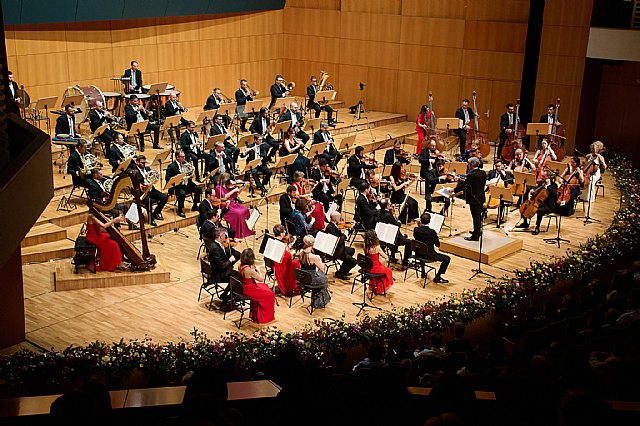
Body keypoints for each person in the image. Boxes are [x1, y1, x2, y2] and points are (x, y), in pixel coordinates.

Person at [238, 249, 276, 324]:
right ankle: (264, 317)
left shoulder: (240, 265)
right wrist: (258, 270)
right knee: (271, 294)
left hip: (244, 287)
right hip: (249, 290)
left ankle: (256, 314)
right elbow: (261, 279)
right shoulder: (249, 270)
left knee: (265, 286)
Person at [207, 227, 241, 306]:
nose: (226, 237)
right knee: (238, 278)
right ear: (221, 236)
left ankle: (225, 294)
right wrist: (230, 260)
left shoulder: (217, 244)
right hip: (218, 275)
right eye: (225, 235)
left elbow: (223, 254)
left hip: (219, 271)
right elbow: (221, 266)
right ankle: (229, 297)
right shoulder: (215, 248)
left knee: (236, 275)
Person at [414, 212, 450, 283]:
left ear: (420, 220)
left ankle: (423, 272)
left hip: (418, 253)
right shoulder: (432, 232)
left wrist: (419, 225)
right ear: (430, 221)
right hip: (429, 255)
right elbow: (438, 245)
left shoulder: (416, 229)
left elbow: (417, 237)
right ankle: (438, 277)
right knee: (447, 259)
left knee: (422, 248)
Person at [215, 173, 253, 239]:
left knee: (245, 210)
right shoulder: (218, 187)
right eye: (226, 179)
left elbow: (236, 194)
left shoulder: (230, 186)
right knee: (238, 213)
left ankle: (245, 230)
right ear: (223, 179)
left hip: (233, 203)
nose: (228, 180)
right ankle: (238, 232)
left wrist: (243, 187)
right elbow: (225, 197)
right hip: (225, 205)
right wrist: (233, 191)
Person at [165, 149, 202, 217]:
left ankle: (195, 205)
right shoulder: (172, 166)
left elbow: (189, 174)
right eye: (182, 157)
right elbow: (167, 178)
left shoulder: (185, 164)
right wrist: (177, 178)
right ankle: (180, 210)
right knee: (182, 193)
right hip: (177, 186)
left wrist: (191, 172)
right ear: (177, 157)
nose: (184, 158)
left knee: (198, 188)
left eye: (184, 156)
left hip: (187, 183)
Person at [457, 156, 486, 241]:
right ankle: (477, 231)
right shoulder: (483, 173)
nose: (468, 166)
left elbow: (466, 185)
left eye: (469, 164)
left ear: (472, 165)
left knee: (475, 218)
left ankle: (475, 236)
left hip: (474, 199)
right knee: (479, 217)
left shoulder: (471, 175)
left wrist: (459, 181)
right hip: (481, 197)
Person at [134, 155, 167, 226]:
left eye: (144, 163)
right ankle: (150, 219)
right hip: (142, 192)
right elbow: (135, 181)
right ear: (137, 162)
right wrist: (144, 178)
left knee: (164, 197)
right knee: (149, 201)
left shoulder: (147, 168)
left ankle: (155, 213)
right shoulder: (135, 171)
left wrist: (157, 176)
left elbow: (153, 178)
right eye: (142, 163)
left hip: (151, 189)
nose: (144, 164)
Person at [299, 235, 331, 308]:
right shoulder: (314, 257)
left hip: (303, 277)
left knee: (322, 279)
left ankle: (320, 297)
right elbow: (322, 269)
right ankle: (319, 302)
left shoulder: (301, 252)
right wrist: (321, 260)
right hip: (311, 279)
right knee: (325, 279)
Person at [378, 198, 411, 267]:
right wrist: (399, 221)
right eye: (390, 204)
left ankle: (393, 256)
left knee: (401, 236)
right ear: (387, 206)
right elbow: (396, 226)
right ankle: (405, 262)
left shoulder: (378, 212)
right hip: (391, 238)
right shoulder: (388, 215)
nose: (392, 205)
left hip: (383, 236)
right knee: (408, 242)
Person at [325, 212, 357, 279]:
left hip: (339, 247)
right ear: (336, 219)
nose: (341, 219)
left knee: (352, 251)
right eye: (339, 218)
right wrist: (347, 232)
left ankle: (343, 270)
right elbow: (339, 241)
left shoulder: (333, 225)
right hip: (334, 251)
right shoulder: (330, 228)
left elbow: (340, 236)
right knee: (353, 261)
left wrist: (350, 229)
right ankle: (340, 273)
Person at [272, 224, 301, 296]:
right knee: (296, 263)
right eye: (284, 232)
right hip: (280, 266)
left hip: (274, 263)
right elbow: (287, 257)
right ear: (281, 234)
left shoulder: (272, 241)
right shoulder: (280, 245)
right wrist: (293, 252)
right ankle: (293, 284)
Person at [364, 230, 393, 295]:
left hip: (368, 266)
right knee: (388, 271)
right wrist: (386, 259)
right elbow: (385, 257)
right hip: (375, 267)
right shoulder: (377, 247)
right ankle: (380, 289)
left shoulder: (365, 246)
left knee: (382, 270)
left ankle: (375, 286)